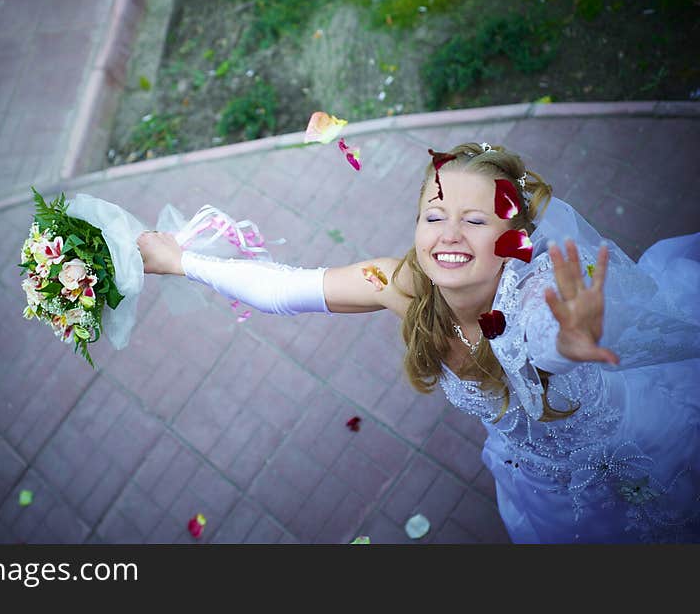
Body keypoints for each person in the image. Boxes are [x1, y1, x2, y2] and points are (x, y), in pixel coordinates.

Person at [136, 142, 700, 543]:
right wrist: (182, 261)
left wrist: (566, 340)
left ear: (515, 241)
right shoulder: (403, 284)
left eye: (475, 220)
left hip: (635, 441)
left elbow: (541, 337)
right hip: (543, 476)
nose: (449, 233)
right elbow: (287, 289)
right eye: (434, 215)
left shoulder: (531, 298)